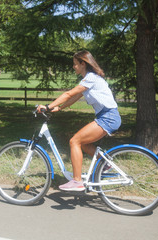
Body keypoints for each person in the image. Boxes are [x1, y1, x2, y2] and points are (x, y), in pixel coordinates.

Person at [36, 50, 121, 191]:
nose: (73, 67)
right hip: (107, 117)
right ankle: (105, 164)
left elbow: (69, 93)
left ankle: (77, 181)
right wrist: (59, 108)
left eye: (75, 64)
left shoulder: (91, 78)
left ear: (83, 63)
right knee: (83, 143)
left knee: (74, 141)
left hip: (108, 118)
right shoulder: (89, 79)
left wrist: (47, 107)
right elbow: (74, 97)